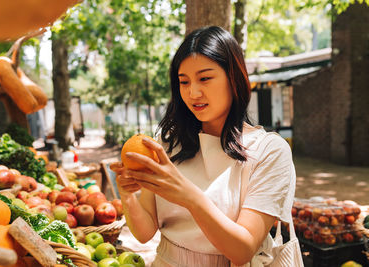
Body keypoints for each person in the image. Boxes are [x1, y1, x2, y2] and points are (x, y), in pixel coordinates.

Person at [110, 26, 296, 267]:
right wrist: (127, 195)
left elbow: (241, 251)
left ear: (234, 78)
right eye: (183, 81)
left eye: (205, 78)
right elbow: (145, 233)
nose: (193, 92)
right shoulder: (168, 144)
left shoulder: (269, 151)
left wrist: (188, 197)